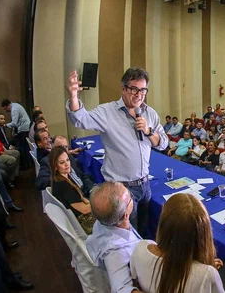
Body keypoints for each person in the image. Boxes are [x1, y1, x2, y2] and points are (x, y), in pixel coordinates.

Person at [66, 68, 168, 236]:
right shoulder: (107, 112)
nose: (139, 94)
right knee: (128, 236)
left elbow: (163, 144)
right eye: (134, 89)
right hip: (121, 189)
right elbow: (80, 119)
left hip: (144, 185)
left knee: (143, 229)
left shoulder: (149, 113)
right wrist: (74, 97)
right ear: (123, 89)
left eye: (143, 90)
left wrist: (149, 132)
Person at [131, 193, 225, 293]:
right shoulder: (207, 275)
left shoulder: (140, 247)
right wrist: (205, 268)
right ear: (203, 232)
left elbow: (135, 278)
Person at [86, 181, 143, 293]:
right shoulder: (116, 252)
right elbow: (121, 289)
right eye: (130, 198)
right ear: (126, 215)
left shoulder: (104, 219)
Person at [49, 146, 96, 234]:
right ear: (55, 166)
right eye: (62, 162)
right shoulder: (63, 185)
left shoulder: (63, 178)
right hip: (83, 222)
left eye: (67, 160)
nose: (67, 164)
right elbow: (84, 210)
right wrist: (101, 205)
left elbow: (82, 199)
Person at [0, 99, 31, 169]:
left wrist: (5, 125)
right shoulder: (16, 106)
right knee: (25, 147)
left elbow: (14, 123)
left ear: (8, 105)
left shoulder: (14, 109)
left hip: (23, 129)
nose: (6, 111)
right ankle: (27, 164)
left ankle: (24, 165)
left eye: (5, 109)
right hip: (24, 127)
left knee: (22, 148)